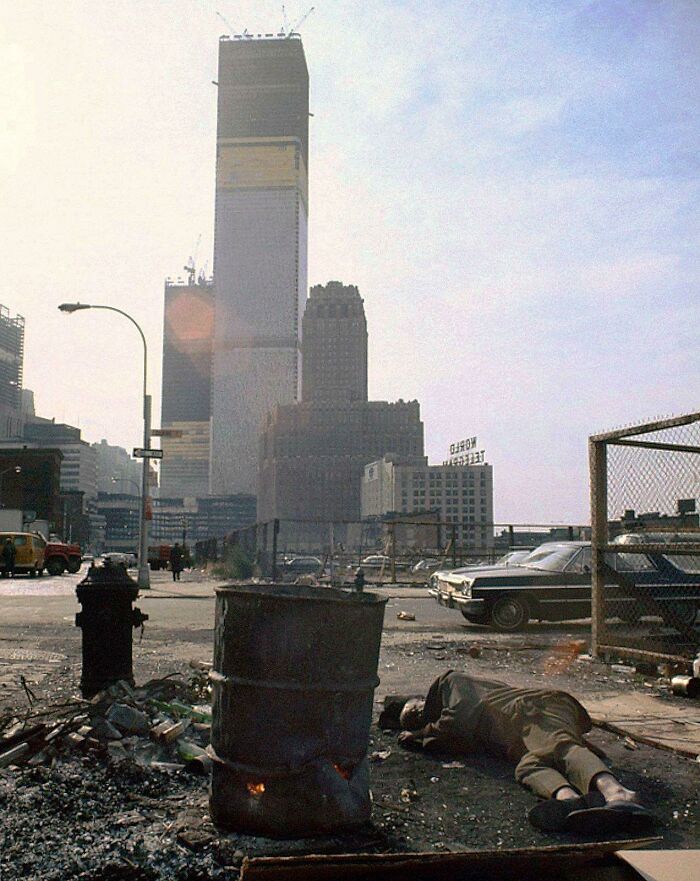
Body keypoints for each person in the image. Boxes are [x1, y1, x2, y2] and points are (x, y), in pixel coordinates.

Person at [394, 670, 655, 834]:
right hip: (522, 727)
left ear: (426, 700)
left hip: (535, 707)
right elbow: (455, 734)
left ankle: (618, 793)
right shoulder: (456, 728)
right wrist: (425, 737)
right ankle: (570, 802)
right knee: (529, 766)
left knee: (560, 747)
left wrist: (420, 733)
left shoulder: (452, 681)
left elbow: (458, 715)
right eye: (413, 718)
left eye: (416, 709)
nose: (417, 715)